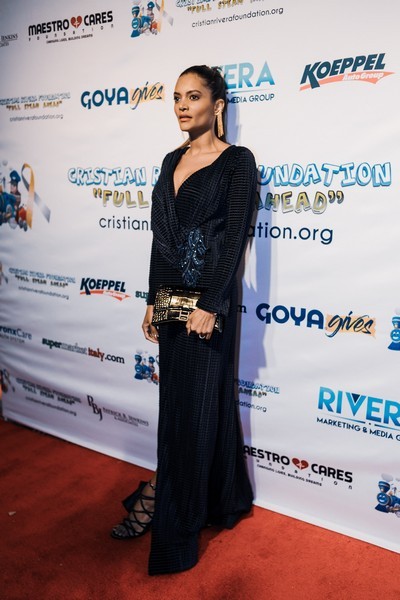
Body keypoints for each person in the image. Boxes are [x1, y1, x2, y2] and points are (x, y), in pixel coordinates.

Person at [111, 65, 257, 576]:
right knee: (181, 405)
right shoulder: (171, 159)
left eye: (193, 96)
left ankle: (172, 519)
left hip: (206, 303)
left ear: (217, 105)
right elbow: (161, 239)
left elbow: (235, 238)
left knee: (192, 415)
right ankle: (222, 498)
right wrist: (154, 300)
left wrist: (210, 304)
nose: (181, 105)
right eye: (176, 97)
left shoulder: (237, 161)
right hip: (172, 300)